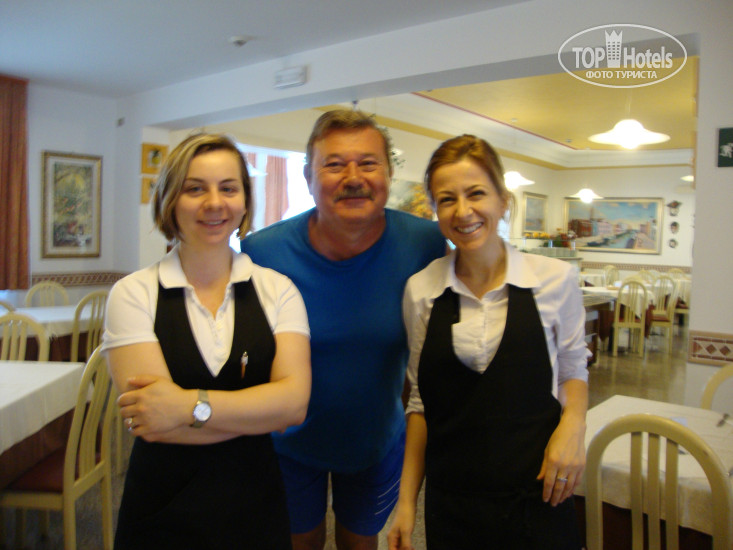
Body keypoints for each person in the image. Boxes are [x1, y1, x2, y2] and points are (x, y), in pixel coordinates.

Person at [241, 109, 446, 550]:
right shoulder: (262, 252)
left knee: (360, 542)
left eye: (368, 163)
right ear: (308, 177)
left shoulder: (424, 244)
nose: (354, 178)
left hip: (376, 441)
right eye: (334, 165)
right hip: (288, 444)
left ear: (388, 173)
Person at [102, 133, 311, 549]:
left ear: (245, 201)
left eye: (228, 188)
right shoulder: (133, 293)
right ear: (169, 200)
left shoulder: (278, 290)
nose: (214, 203)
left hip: (255, 504)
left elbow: (294, 405)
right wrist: (258, 413)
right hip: (162, 508)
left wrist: (185, 407)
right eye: (195, 188)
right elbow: (152, 421)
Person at [388, 134, 589, 550]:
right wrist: (406, 503)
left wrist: (573, 427)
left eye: (476, 193)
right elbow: (420, 404)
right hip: (452, 506)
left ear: (503, 201)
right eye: (447, 199)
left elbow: (573, 368)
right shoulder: (421, 290)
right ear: (436, 210)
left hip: (539, 498)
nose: (463, 211)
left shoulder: (553, 280)